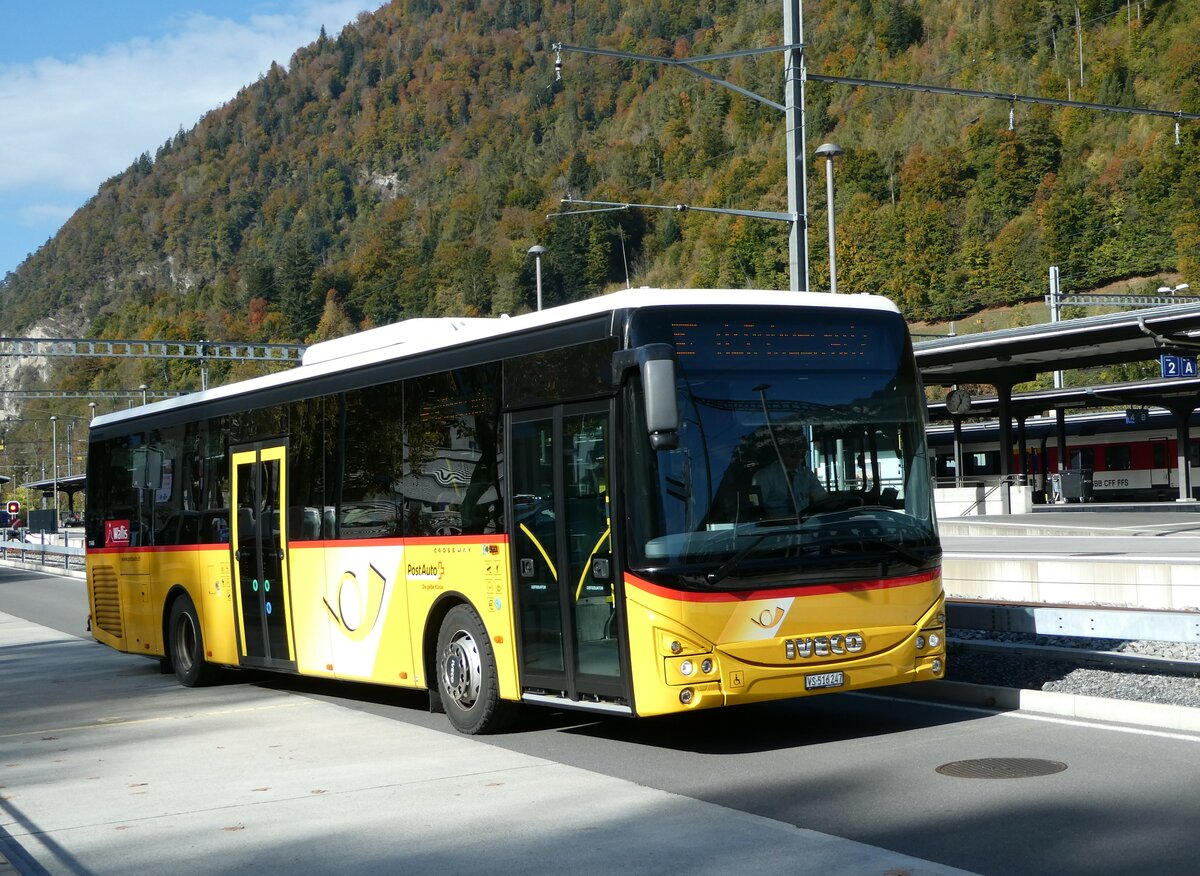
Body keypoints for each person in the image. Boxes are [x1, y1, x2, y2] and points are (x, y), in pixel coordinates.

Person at [754, 436, 827, 517]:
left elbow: (822, 499)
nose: (799, 459)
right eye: (794, 455)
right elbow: (756, 511)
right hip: (773, 526)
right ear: (782, 453)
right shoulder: (764, 476)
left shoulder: (807, 474)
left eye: (803, 455)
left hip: (804, 524)